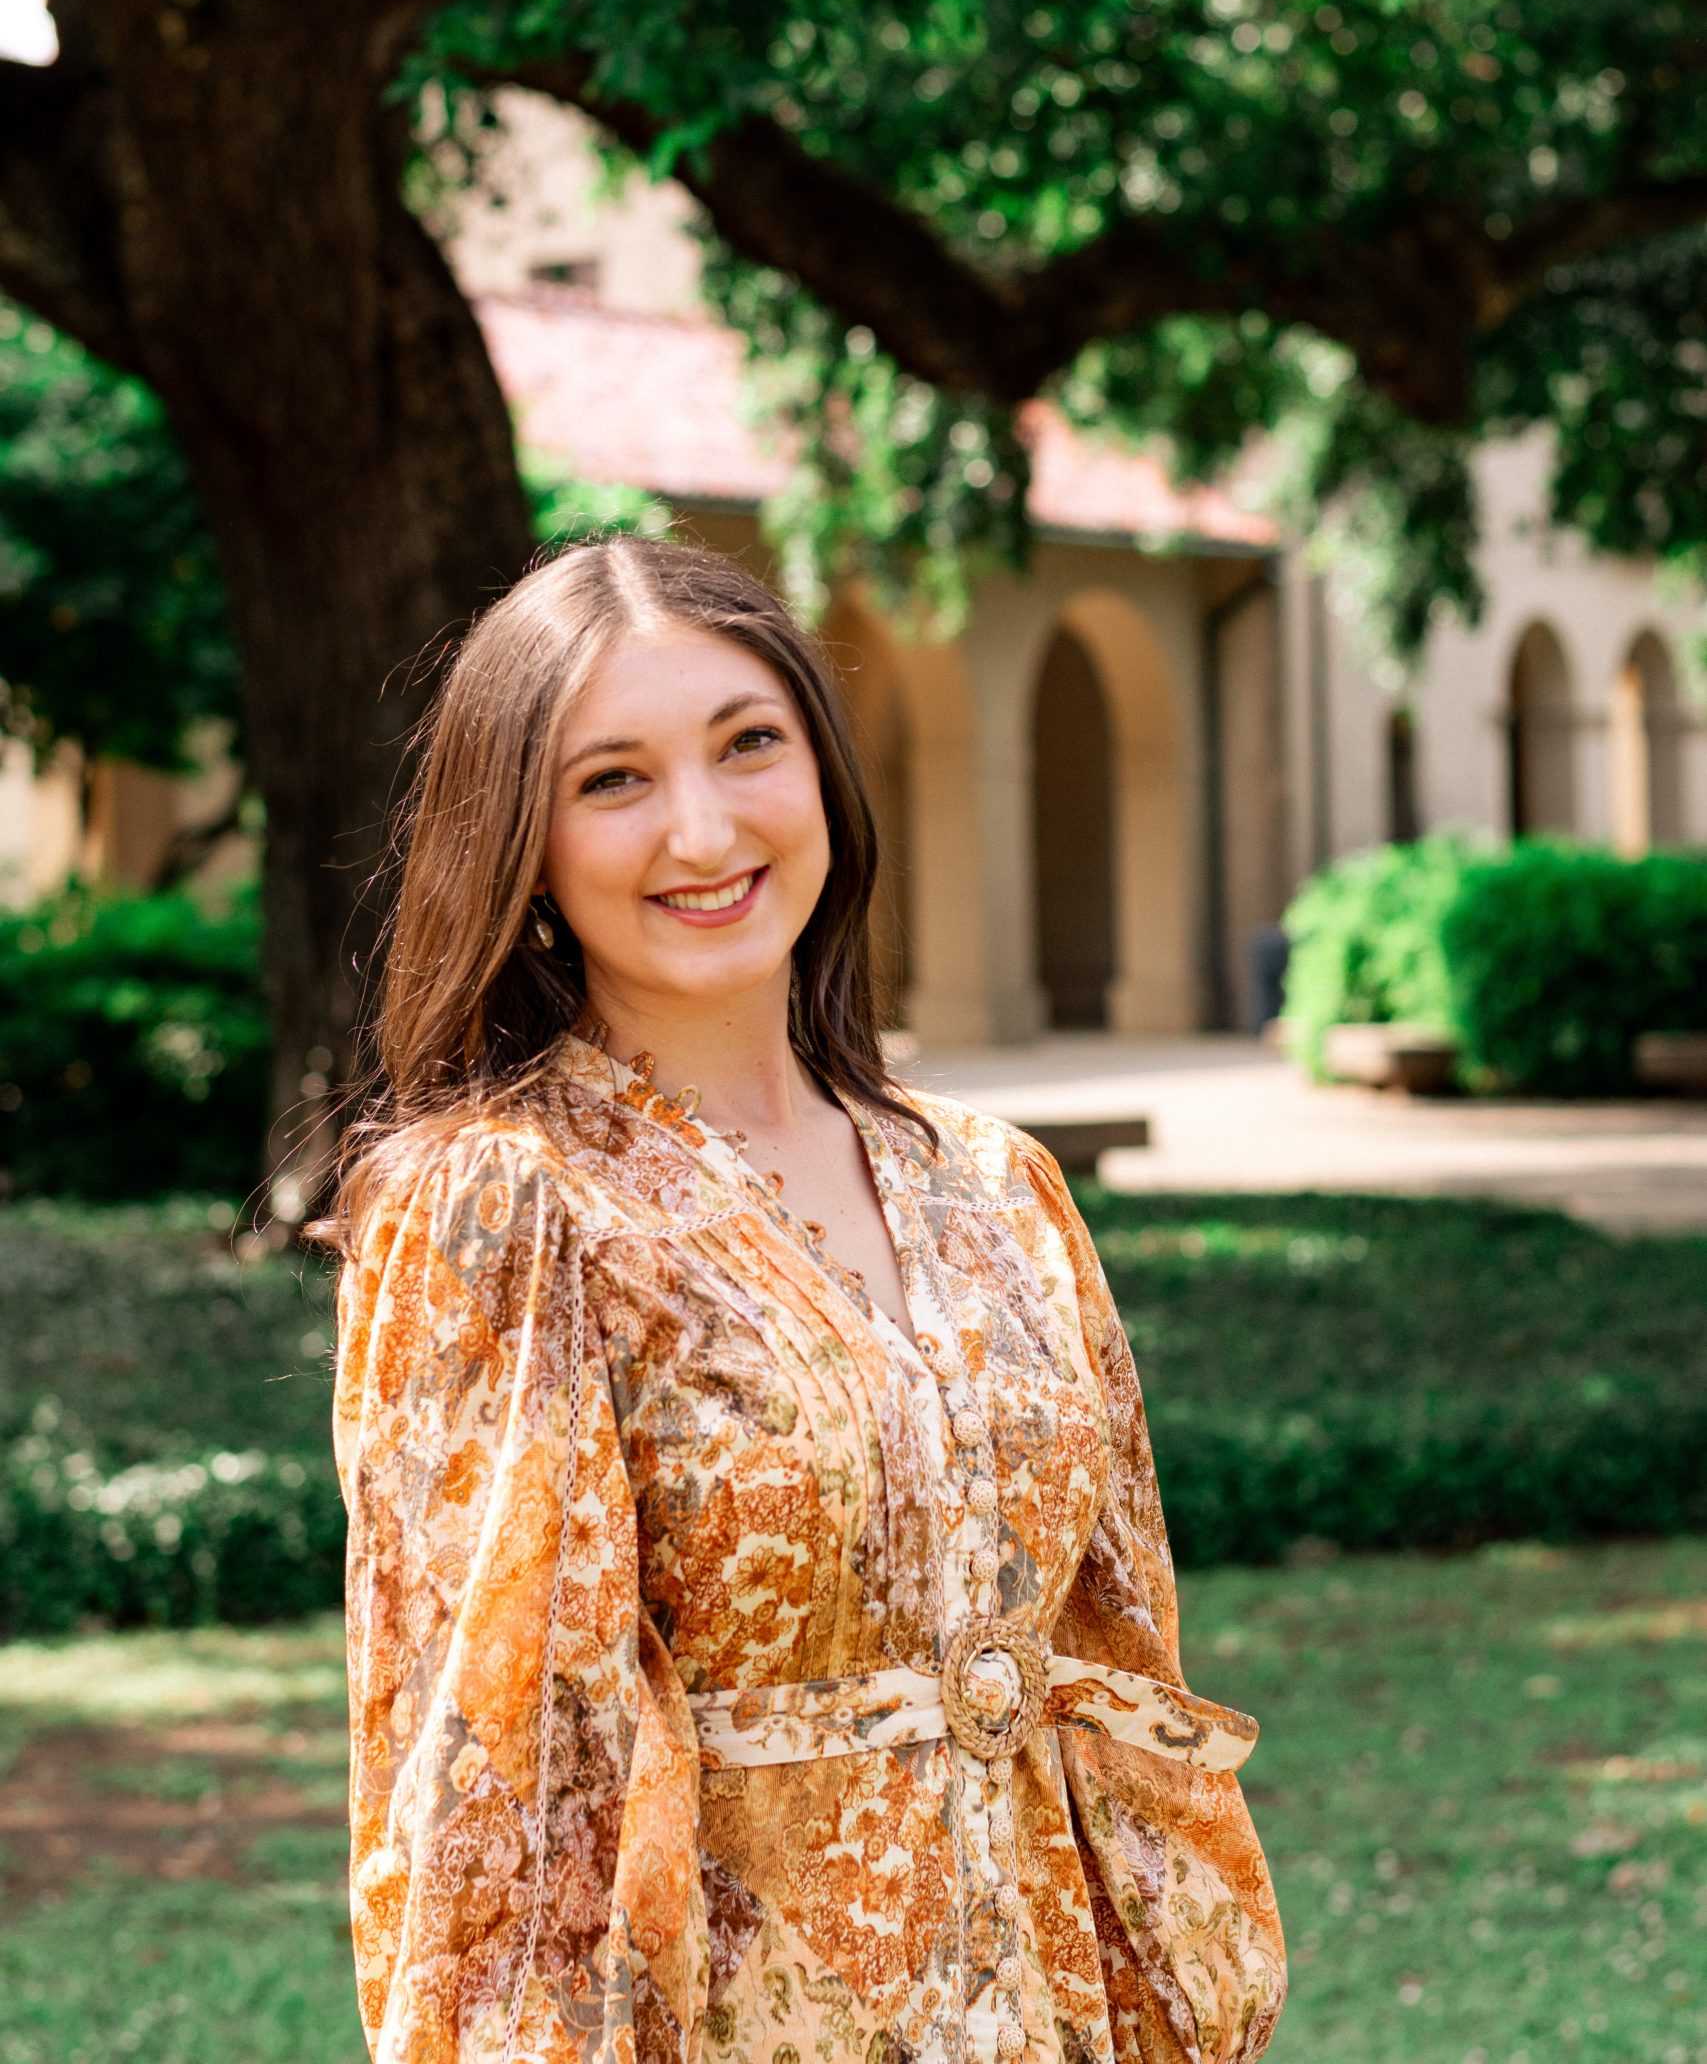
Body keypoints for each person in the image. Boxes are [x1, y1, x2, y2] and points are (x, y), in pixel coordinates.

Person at [319, 530, 1288, 2064]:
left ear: (825, 774)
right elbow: (499, 1799)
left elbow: (1117, 1684)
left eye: (748, 744)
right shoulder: (509, 1210)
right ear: (528, 846)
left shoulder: (998, 1186)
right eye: (612, 780)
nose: (702, 828)